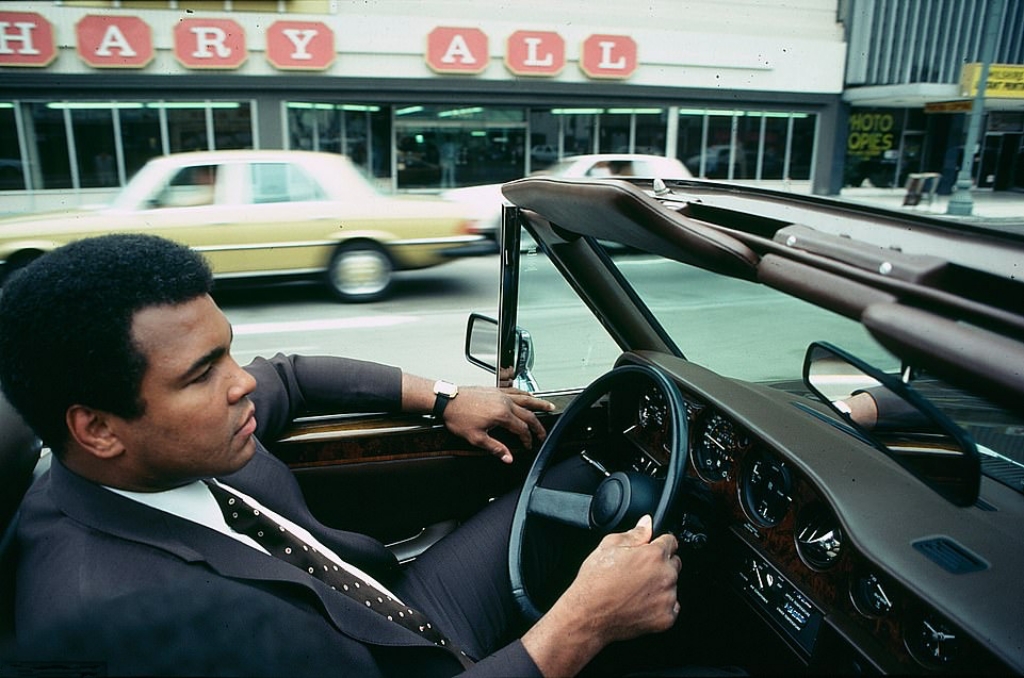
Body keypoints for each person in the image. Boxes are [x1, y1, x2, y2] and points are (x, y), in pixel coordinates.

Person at [0, 234, 681, 677]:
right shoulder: (125, 623)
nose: (240, 382)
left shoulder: (162, 449)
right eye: (202, 373)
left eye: (228, 350)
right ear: (97, 429)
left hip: (404, 608)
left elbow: (291, 375)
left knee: (582, 478)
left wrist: (446, 398)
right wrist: (583, 625)